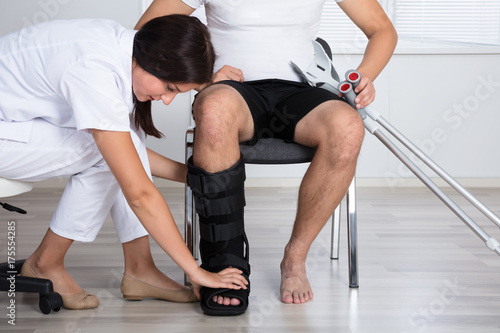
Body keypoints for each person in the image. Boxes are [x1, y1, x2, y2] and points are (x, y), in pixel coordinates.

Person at [136, 0, 398, 316]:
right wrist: (203, 80)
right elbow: (143, 34)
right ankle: (223, 262)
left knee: (347, 125)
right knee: (214, 108)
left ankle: (296, 257)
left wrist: (365, 76)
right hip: (234, 90)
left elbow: (382, 29)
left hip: (304, 89)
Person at [0, 14, 248, 311]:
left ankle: (140, 270)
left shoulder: (124, 46)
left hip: (12, 123)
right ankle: (45, 263)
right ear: (151, 60)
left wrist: (198, 174)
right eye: (170, 89)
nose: (167, 100)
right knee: (106, 153)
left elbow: (130, 152)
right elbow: (140, 193)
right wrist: (195, 271)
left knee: (116, 148)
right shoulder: (96, 70)